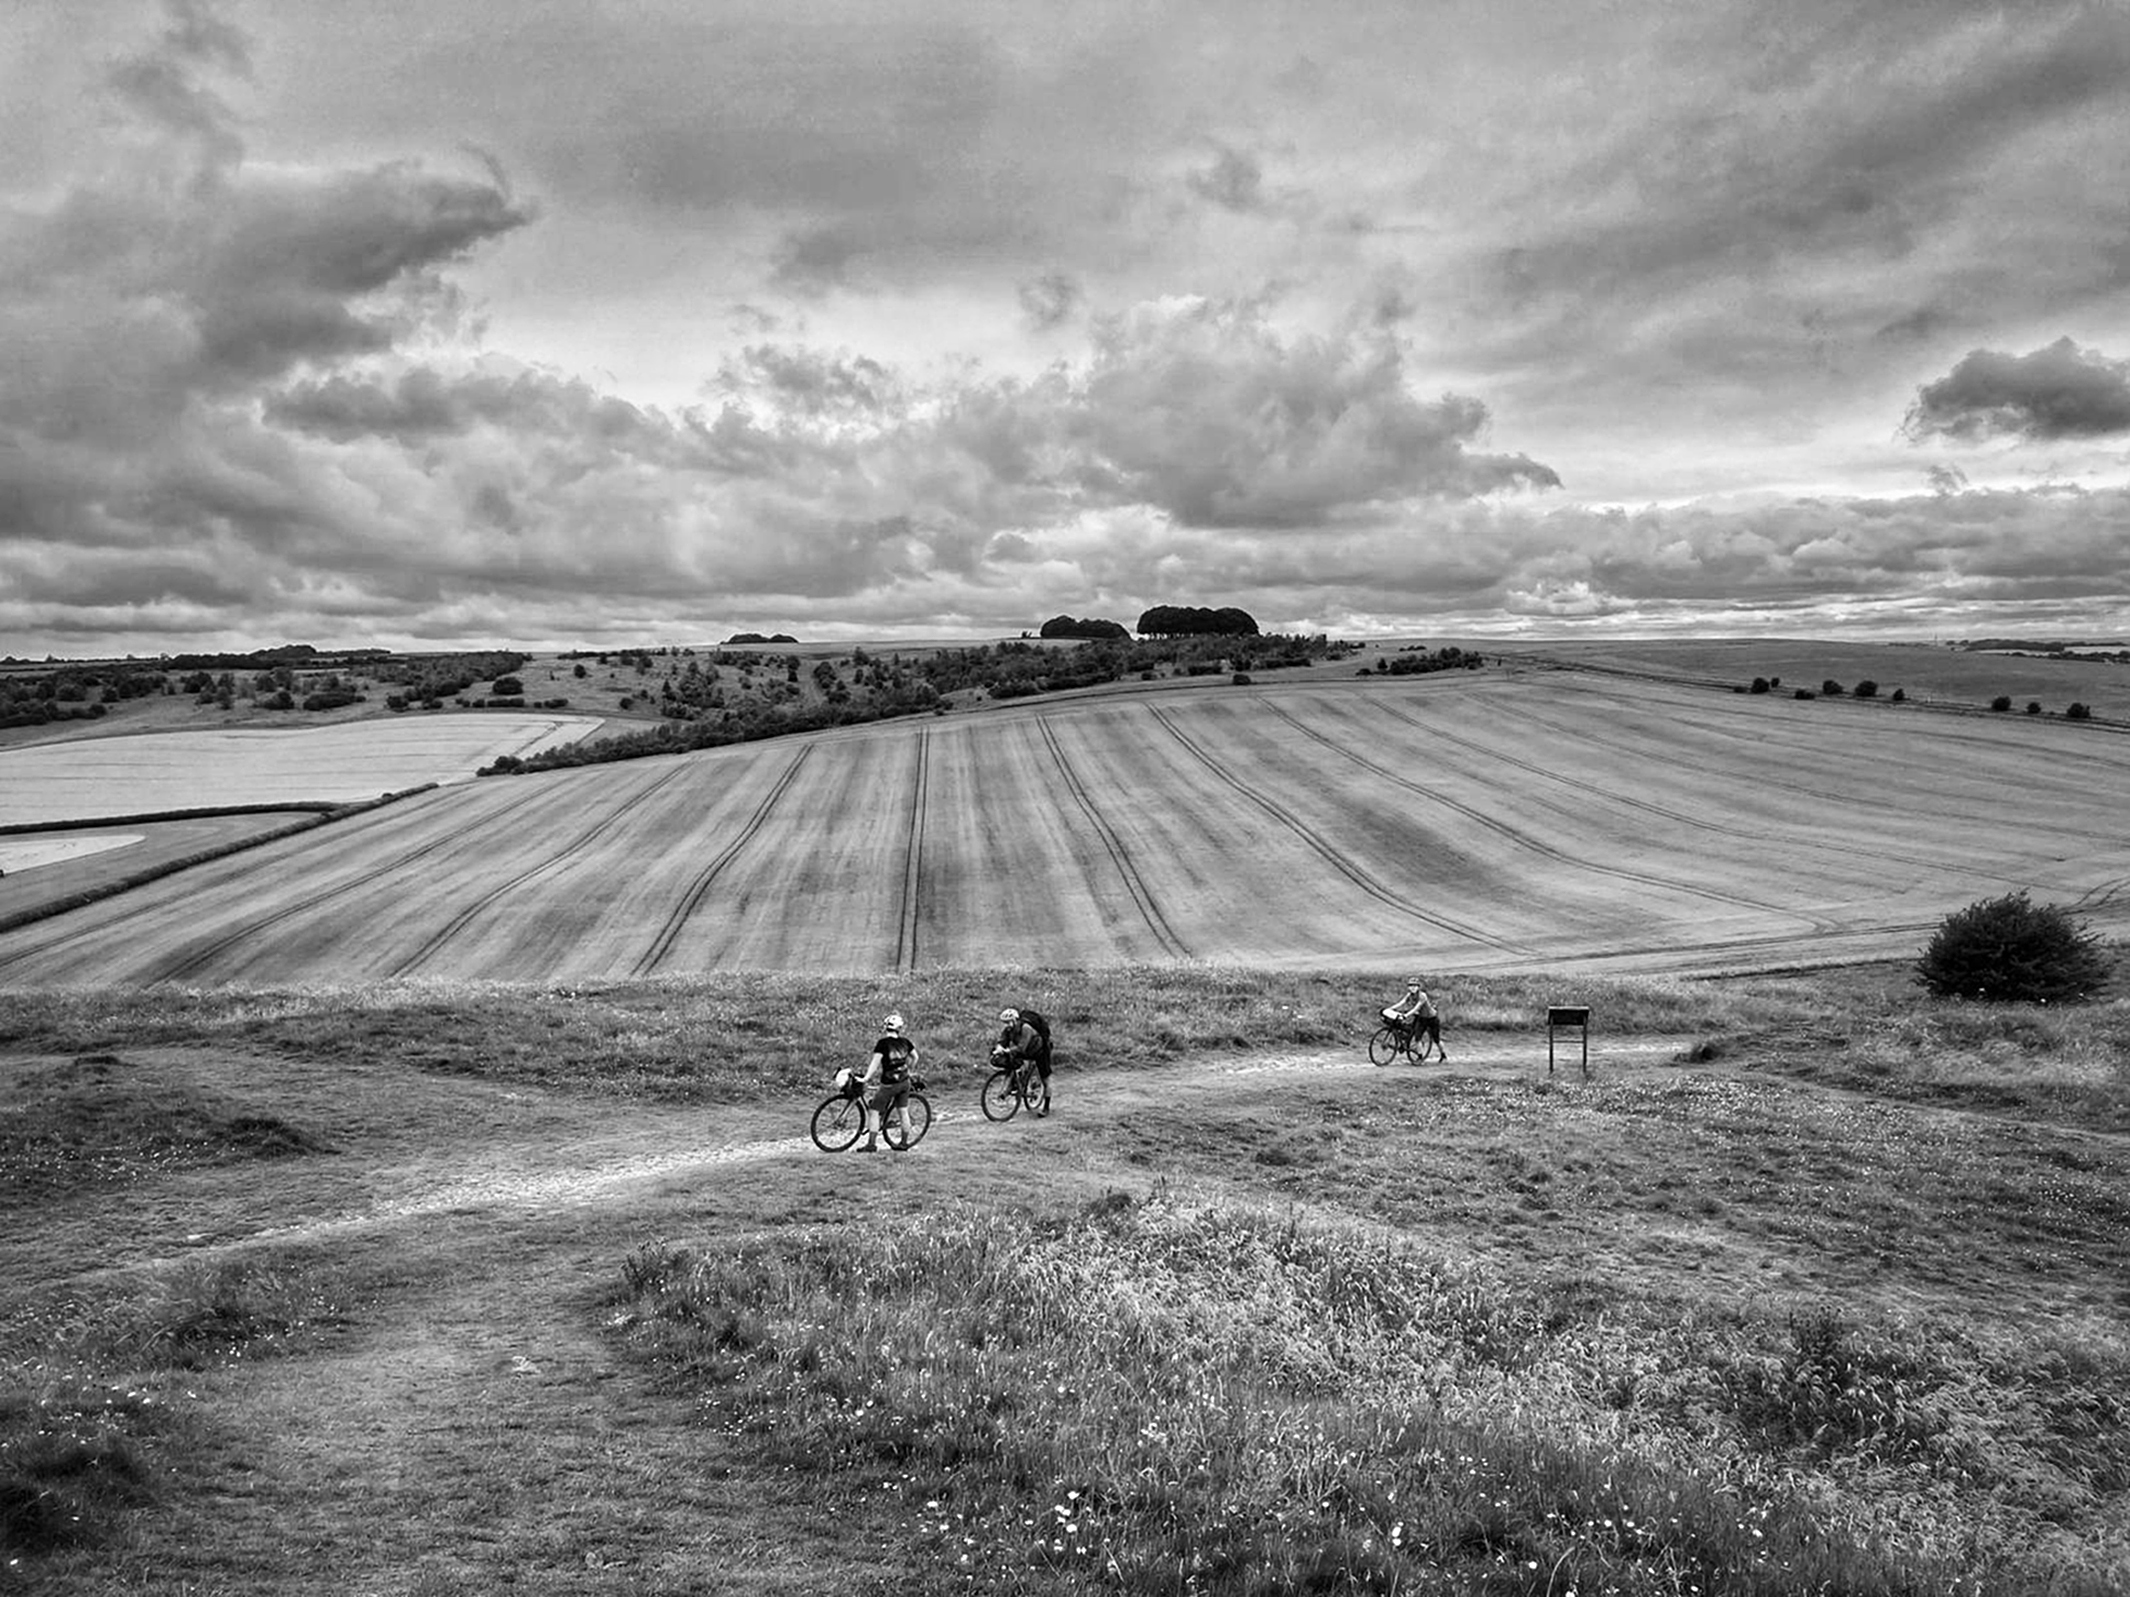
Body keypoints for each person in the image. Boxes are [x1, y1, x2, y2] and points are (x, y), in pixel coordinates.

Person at [855, 1011, 919, 1152]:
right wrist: (908, 1069)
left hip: (889, 1084)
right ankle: (903, 1143)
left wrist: (865, 1078)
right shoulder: (906, 1042)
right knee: (903, 1112)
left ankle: (871, 1145)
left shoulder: (883, 1044)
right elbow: (915, 1057)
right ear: (900, 1029)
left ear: (886, 1027)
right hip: (904, 1081)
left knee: (874, 1111)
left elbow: (875, 1063)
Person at [993, 1005, 1053, 1116]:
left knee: (1046, 1080)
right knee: (1012, 1064)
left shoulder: (1026, 1028)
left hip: (1040, 1051)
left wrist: (1007, 1051)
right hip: (1027, 1051)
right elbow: (1002, 1041)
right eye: (1005, 1023)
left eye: (1009, 1022)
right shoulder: (1008, 1029)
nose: (1008, 1025)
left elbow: (1021, 1047)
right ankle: (1013, 1087)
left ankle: (1046, 1108)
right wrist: (998, 1049)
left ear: (1015, 1020)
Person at [1381, 979, 1445, 1061]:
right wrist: (1390, 1009)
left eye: (1415, 986)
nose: (1413, 988)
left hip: (1431, 1018)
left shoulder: (1422, 996)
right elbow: (1401, 1003)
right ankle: (1420, 1057)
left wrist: (1406, 1015)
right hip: (1421, 1018)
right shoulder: (1409, 995)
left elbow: (1416, 1008)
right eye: (1411, 986)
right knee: (1417, 1037)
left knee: (1437, 1039)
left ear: (1418, 987)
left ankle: (1443, 1055)